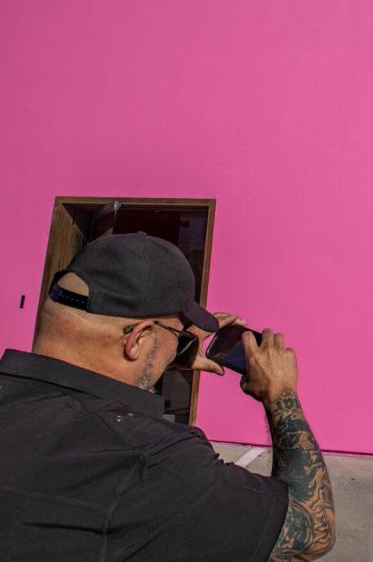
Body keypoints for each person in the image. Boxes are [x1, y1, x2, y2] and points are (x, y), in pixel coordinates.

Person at [0, 232, 335, 560]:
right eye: (177, 334)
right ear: (138, 340)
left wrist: (159, 356)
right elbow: (310, 530)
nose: (179, 343)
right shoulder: (147, 458)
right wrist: (280, 394)